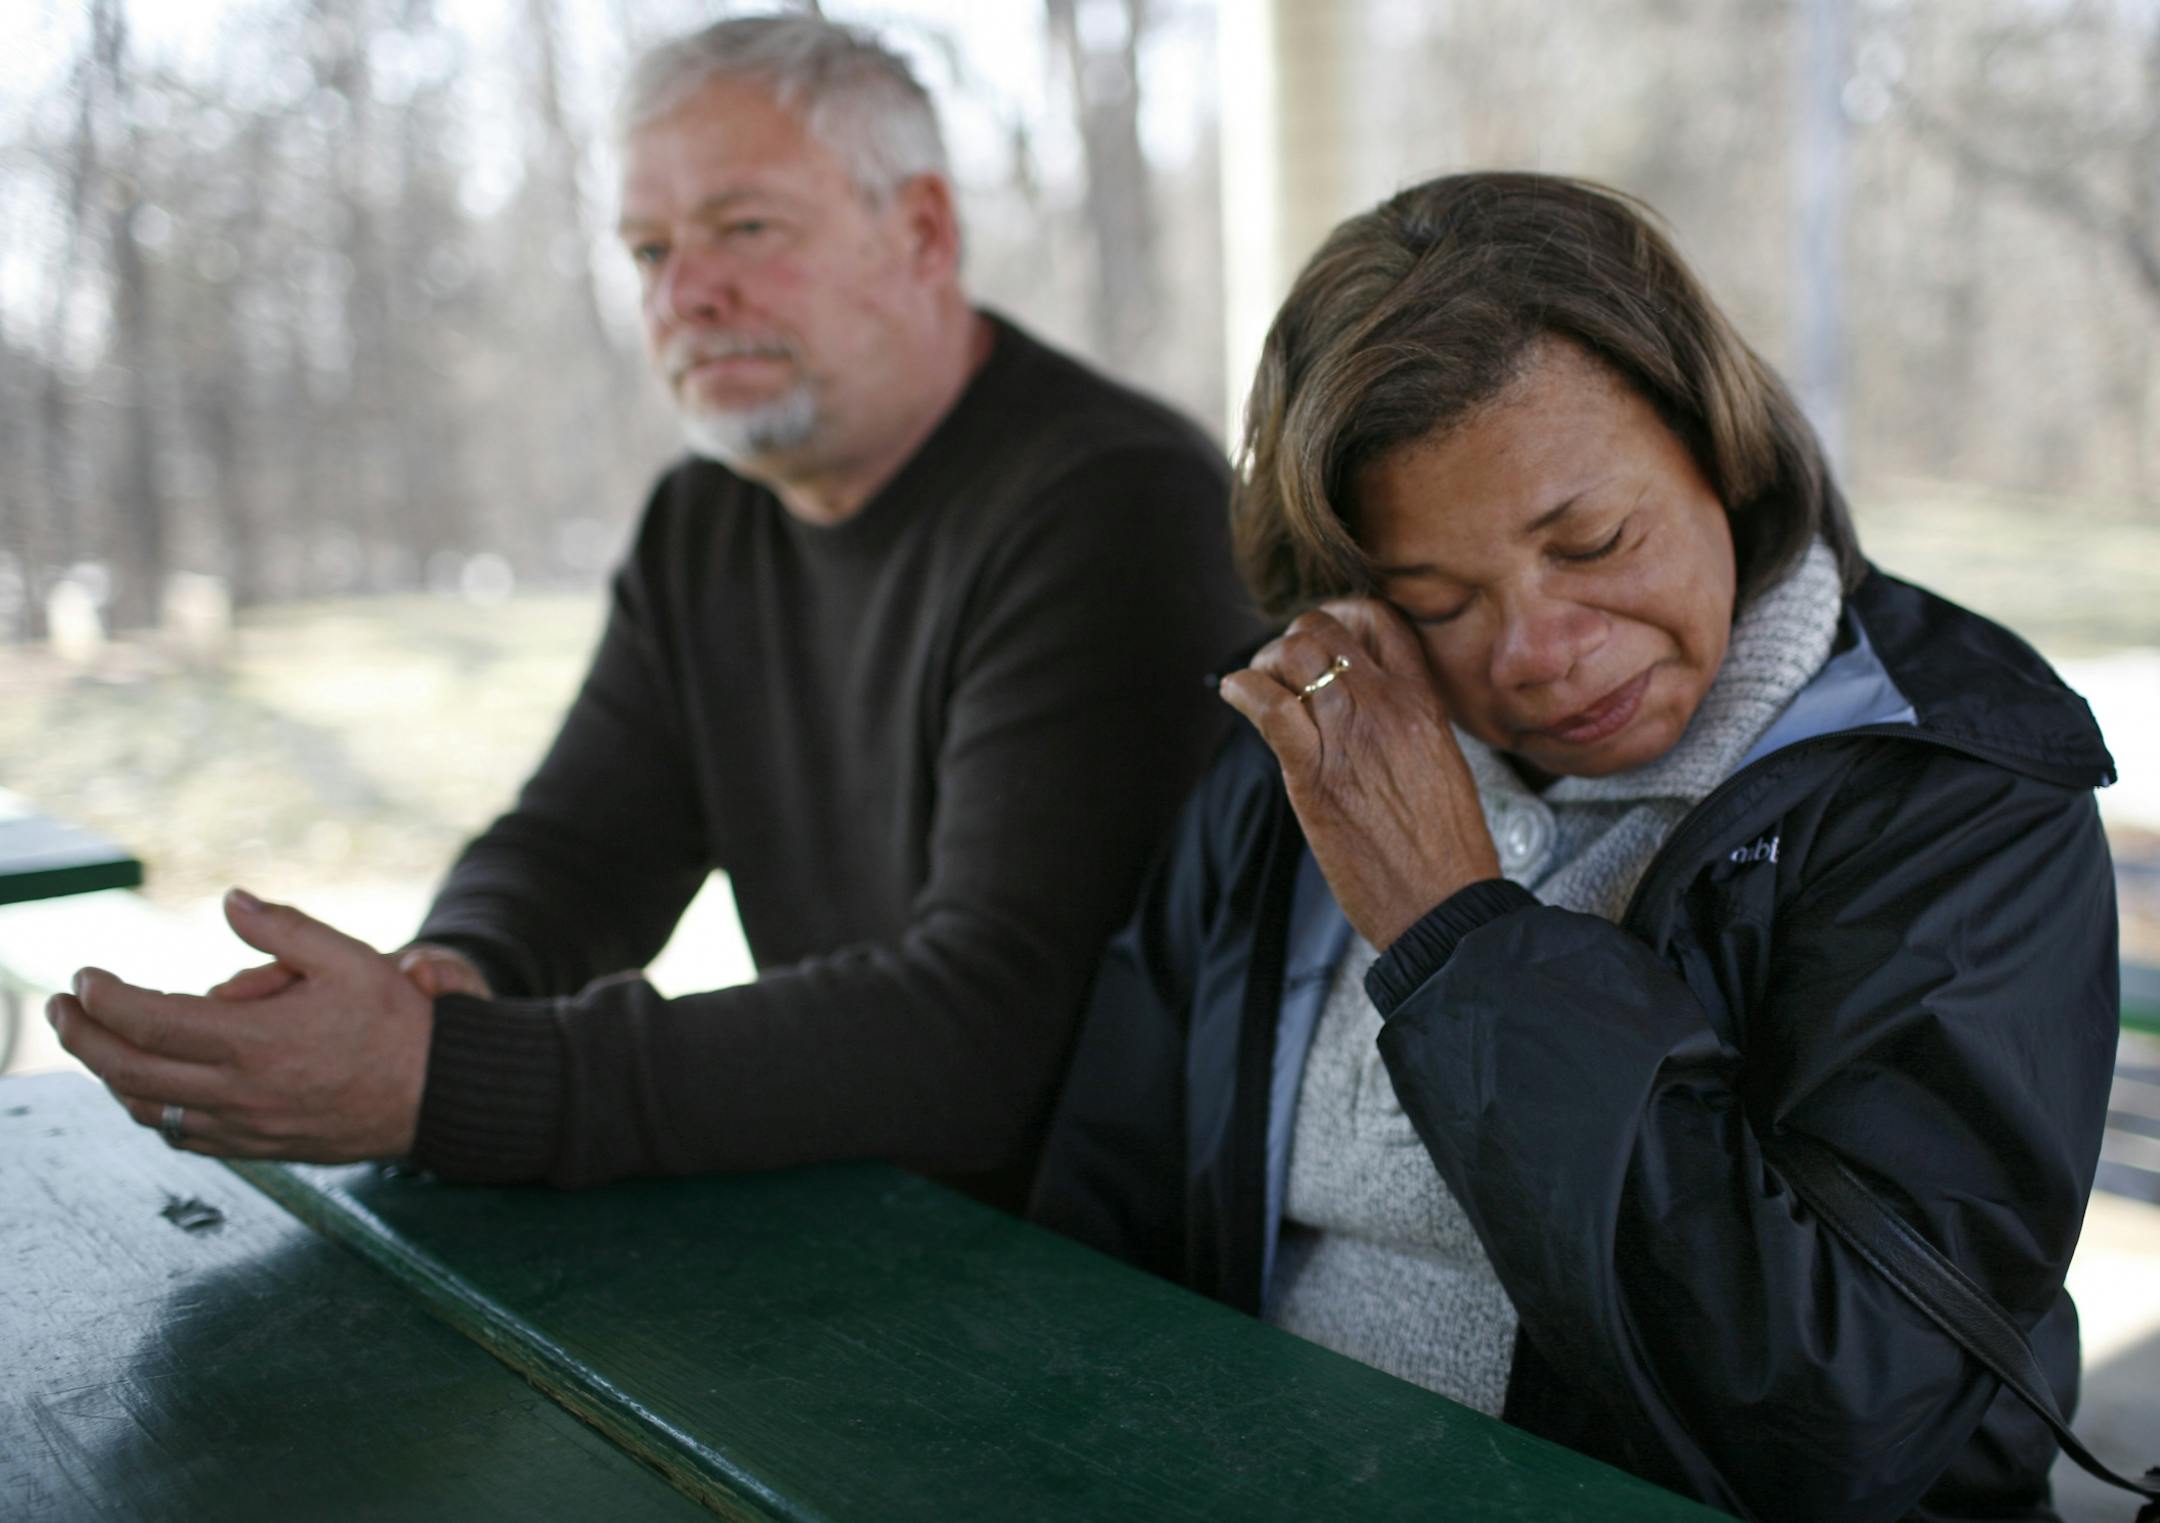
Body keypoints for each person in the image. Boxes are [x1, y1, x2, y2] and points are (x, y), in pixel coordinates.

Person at [1029, 172, 2120, 1520]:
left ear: (1723, 450)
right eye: (1438, 600)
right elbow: (1105, 1213)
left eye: (1594, 541)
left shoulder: (1948, 779)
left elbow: (1847, 1409)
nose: (1541, 652)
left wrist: (1457, 933)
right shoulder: (1318, 744)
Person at [50, 15, 1255, 1211]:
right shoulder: (707, 522)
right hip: (856, 1220)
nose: (686, 291)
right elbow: (581, 848)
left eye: (745, 228)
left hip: (1096, 1288)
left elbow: (987, 1035)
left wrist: (446, 1080)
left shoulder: (1114, 503)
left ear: (924, 231)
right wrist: (444, 978)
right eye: (646, 249)